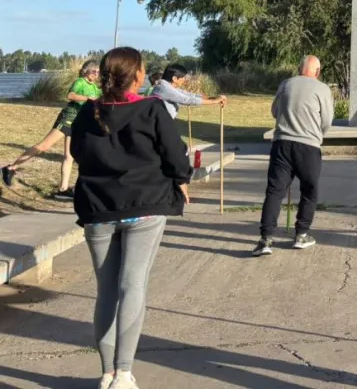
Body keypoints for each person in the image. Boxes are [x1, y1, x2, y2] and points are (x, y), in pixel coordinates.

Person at [70, 47, 192, 389]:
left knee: (106, 291)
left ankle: (107, 373)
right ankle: (123, 373)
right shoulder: (151, 108)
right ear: (138, 75)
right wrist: (182, 180)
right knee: (132, 286)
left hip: (97, 208)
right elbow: (175, 155)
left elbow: (78, 152)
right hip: (145, 206)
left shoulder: (89, 112)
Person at [252, 56, 334, 257]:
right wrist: (318, 134)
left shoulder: (286, 84)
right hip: (308, 146)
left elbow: (275, 111)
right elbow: (327, 121)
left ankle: (265, 239)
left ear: (299, 68)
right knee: (309, 191)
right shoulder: (322, 89)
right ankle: (301, 234)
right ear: (317, 71)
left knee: (274, 192)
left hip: (282, 143)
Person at [2, 60, 101, 199]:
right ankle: (10, 168)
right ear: (86, 71)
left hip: (77, 123)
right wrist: (87, 98)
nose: (96, 74)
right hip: (67, 119)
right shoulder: (80, 82)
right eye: (94, 71)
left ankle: (63, 189)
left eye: (98, 72)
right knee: (44, 145)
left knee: (69, 156)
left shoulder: (95, 88)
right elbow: (70, 95)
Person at [150, 64, 227, 119]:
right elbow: (187, 100)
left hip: (162, 123)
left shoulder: (167, 86)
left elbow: (189, 95)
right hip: (157, 125)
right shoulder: (164, 88)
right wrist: (214, 101)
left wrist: (214, 98)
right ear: (175, 78)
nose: (184, 80)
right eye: (183, 77)